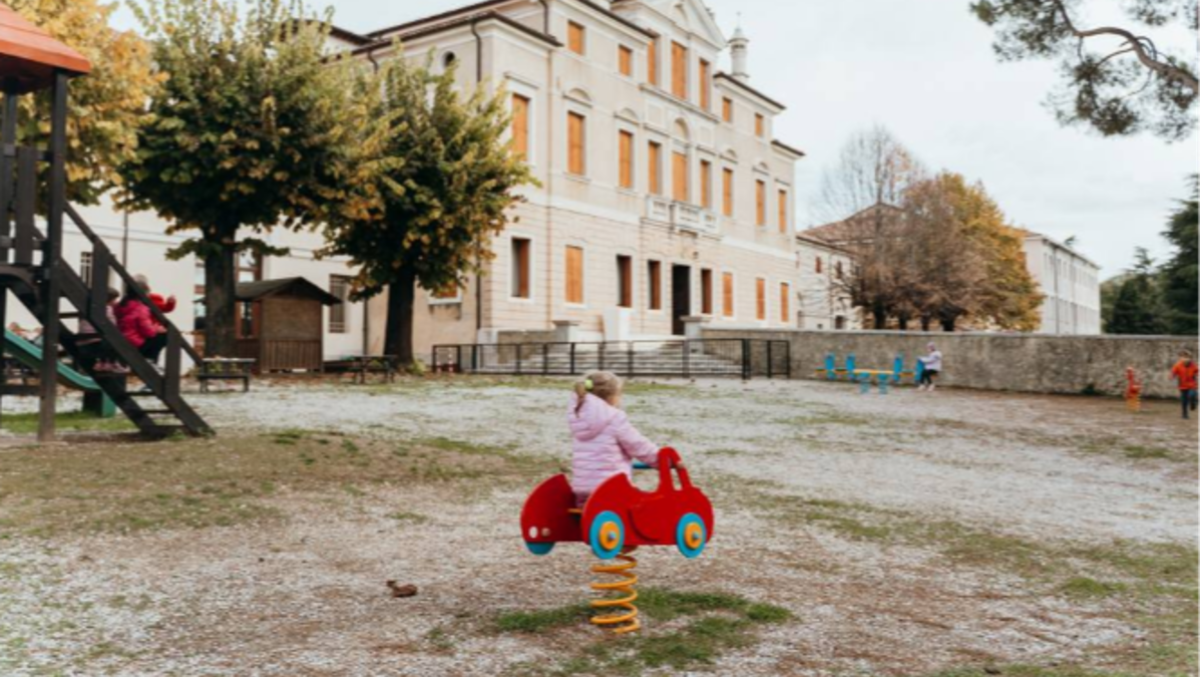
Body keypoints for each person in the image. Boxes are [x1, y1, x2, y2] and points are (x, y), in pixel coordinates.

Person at [568, 371, 663, 507]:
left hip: (582, 490)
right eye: (619, 394)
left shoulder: (579, 420)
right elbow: (637, 445)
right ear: (611, 397)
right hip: (611, 490)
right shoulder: (614, 418)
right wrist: (661, 459)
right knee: (642, 507)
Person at [115, 281, 168, 367]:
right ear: (142, 294)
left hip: (121, 340)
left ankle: (150, 360)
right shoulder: (141, 308)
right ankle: (150, 360)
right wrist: (156, 328)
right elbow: (148, 332)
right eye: (148, 294)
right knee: (164, 336)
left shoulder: (120, 306)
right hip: (135, 344)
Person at [76, 288, 128, 373]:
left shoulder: (91, 309)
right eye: (114, 300)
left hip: (82, 342)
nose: (115, 302)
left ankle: (103, 363)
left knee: (108, 338)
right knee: (117, 340)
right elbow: (112, 327)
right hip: (96, 344)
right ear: (109, 300)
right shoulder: (107, 310)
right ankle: (111, 364)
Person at [1171, 350, 1198, 420]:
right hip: (1182, 386)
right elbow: (1173, 373)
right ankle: (1184, 414)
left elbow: (1198, 370)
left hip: (1192, 385)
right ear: (1180, 358)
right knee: (1184, 400)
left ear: (1190, 358)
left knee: (1191, 395)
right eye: (1183, 357)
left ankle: (1193, 403)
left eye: (1187, 357)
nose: (1185, 359)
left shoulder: (1193, 365)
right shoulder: (1177, 365)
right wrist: (1172, 377)